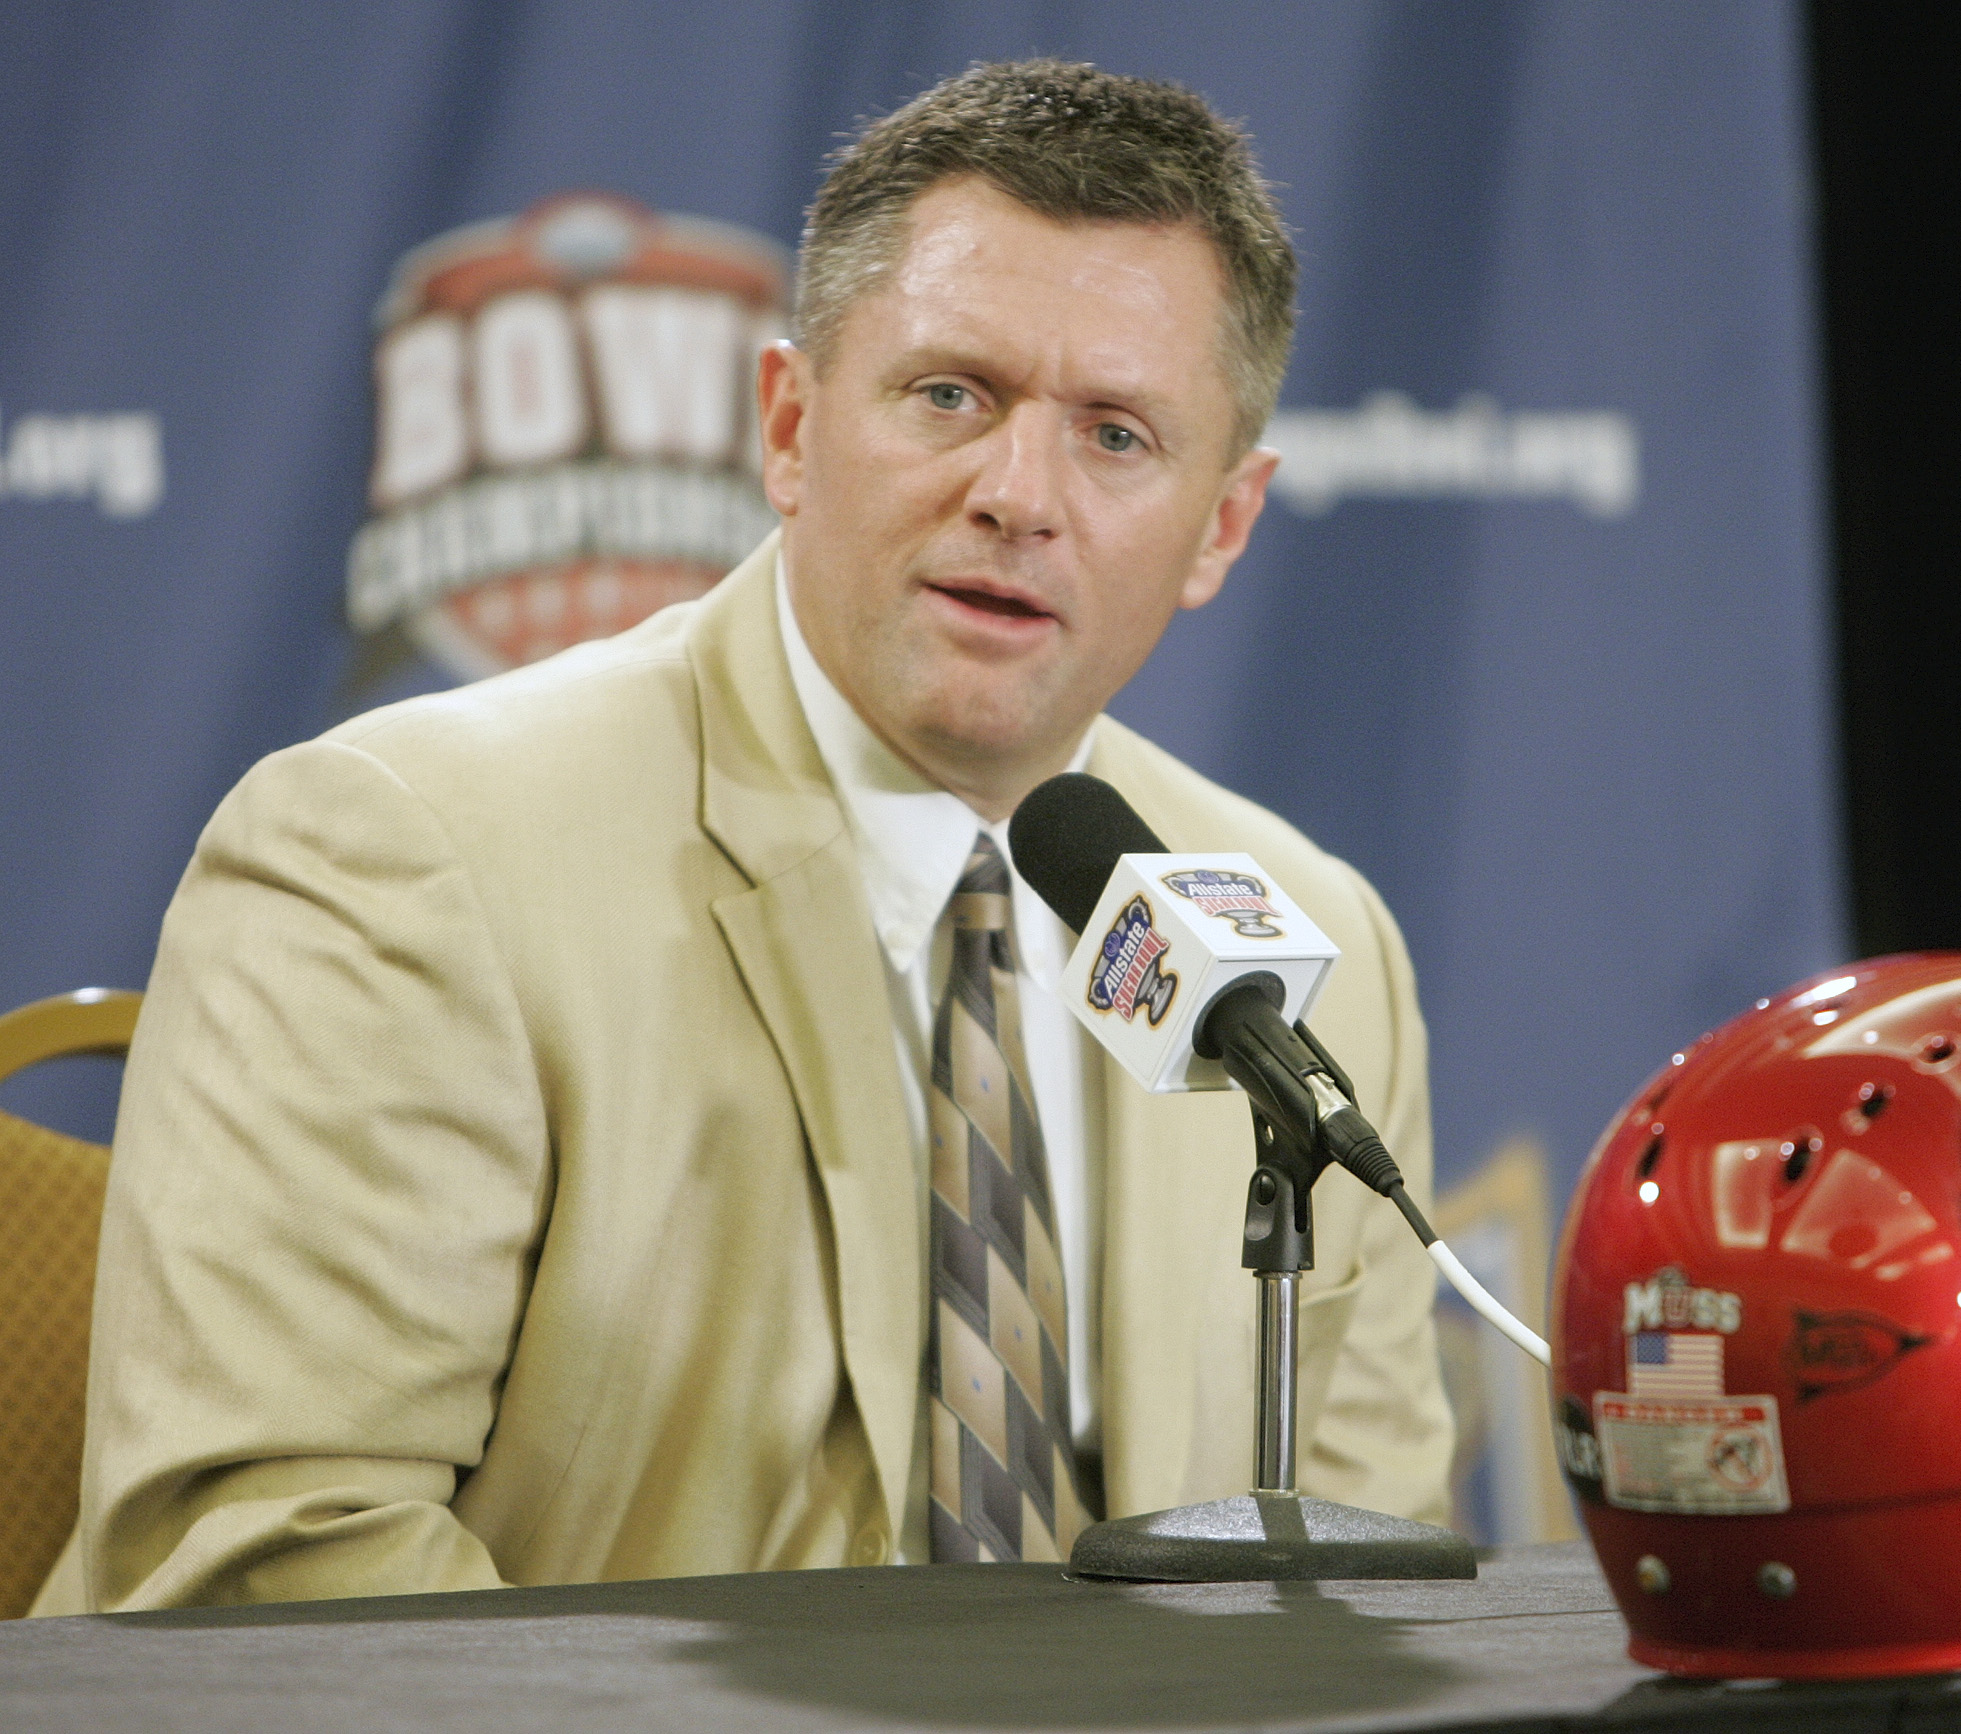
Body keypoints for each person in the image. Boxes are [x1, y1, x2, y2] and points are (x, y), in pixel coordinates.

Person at [39, 60, 1450, 1613]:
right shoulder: (399, 854)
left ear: (1225, 525)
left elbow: (1366, 1583)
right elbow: (273, 1568)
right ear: (789, 425)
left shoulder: (1312, 950)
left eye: (1117, 434)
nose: (1018, 494)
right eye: (950, 395)